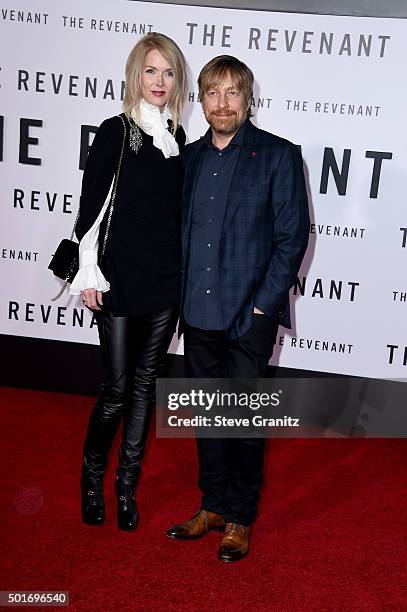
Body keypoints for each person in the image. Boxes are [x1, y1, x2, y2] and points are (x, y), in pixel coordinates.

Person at [166, 55, 310, 561]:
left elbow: (291, 239)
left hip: (248, 317)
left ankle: (241, 518)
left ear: (248, 100)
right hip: (197, 314)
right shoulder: (188, 160)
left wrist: (263, 308)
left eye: (233, 93)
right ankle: (213, 506)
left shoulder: (278, 155)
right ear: (200, 100)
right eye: (213, 93)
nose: (222, 103)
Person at [69, 32, 188, 531]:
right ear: (135, 75)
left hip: (164, 281)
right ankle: (93, 480)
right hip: (118, 277)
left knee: (145, 388)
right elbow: (92, 206)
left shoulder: (177, 138)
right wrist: (87, 273)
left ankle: (126, 489)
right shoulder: (115, 131)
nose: (159, 81)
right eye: (151, 71)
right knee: (116, 389)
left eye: (168, 73)